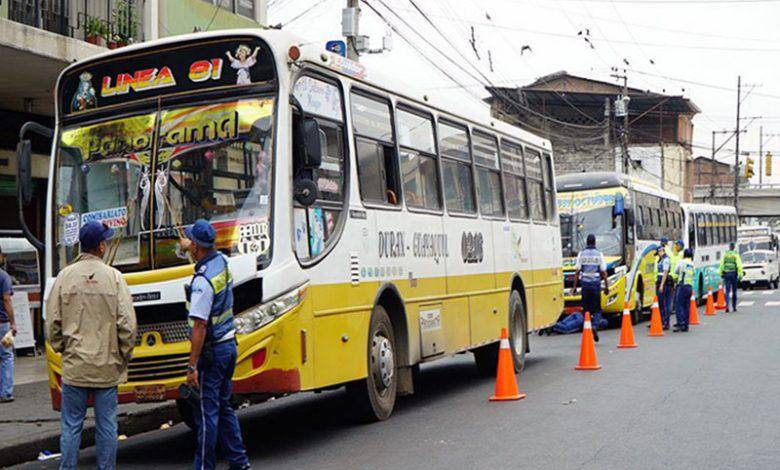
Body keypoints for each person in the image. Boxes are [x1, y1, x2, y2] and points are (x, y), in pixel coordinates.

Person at [46, 222, 137, 470]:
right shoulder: (114, 278)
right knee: (107, 425)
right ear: (101, 246)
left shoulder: (65, 277)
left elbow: (52, 323)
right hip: (106, 366)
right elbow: (127, 326)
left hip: (75, 367)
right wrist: (123, 355)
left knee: (71, 425)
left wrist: (63, 349)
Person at [181, 219, 250, 470]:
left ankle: (203, 466)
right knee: (224, 406)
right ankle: (239, 461)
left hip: (211, 353)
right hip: (229, 345)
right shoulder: (221, 262)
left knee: (206, 414)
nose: (187, 245)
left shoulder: (202, 282)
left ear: (197, 248)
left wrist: (191, 368)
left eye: (190, 243)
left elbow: (199, 326)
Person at [572, 234, 609, 342]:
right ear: (595, 242)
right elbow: (604, 272)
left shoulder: (581, 254)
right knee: (597, 309)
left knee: (586, 309)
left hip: (585, 285)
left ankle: (587, 329)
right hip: (595, 285)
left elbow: (577, 272)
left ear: (587, 242)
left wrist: (574, 287)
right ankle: (595, 326)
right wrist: (606, 287)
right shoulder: (599, 254)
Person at [0, 246, 16, 403]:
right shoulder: (3, 276)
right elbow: (6, 299)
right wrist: (13, 323)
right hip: (2, 323)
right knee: (6, 356)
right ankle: (5, 392)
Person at [673, 249, 696, 332]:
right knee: (687, 306)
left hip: (682, 286)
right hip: (689, 287)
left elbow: (676, 272)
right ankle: (686, 325)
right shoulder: (692, 264)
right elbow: (694, 274)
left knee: (679, 305)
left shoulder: (681, 262)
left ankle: (680, 323)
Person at [719, 242, 744, 313]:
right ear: (734, 247)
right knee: (734, 291)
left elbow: (721, 264)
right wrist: (740, 275)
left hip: (726, 274)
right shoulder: (736, 255)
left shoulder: (725, 255)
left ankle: (727, 306)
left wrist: (721, 273)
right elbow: (739, 265)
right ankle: (734, 307)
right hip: (734, 274)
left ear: (729, 247)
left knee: (727, 291)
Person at [656, 244, 673, 330]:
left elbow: (665, 272)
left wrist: (662, 285)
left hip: (664, 284)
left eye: (658, 252)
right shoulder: (662, 259)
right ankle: (663, 321)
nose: (658, 255)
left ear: (661, 251)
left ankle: (665, 322)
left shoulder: (665, 260)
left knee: (664, 304)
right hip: (662, 283)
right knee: (661, 304)